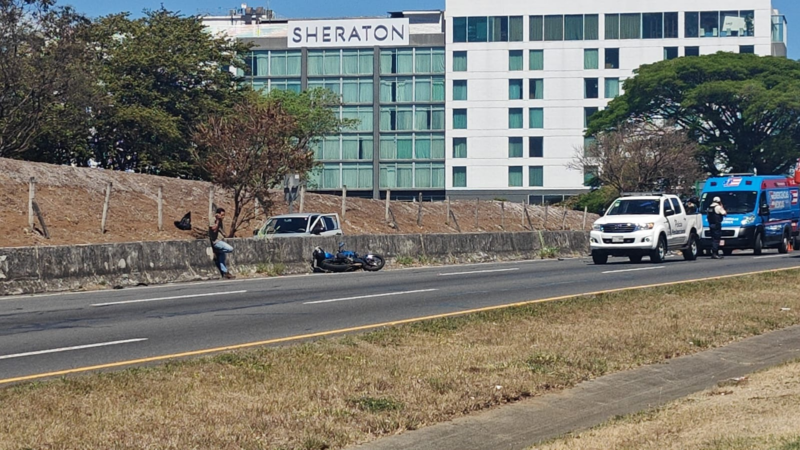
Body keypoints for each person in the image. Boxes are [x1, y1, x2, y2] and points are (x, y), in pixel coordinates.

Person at [209, 208, 235, 279]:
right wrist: (217, 221)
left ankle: (225, 273)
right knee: (230, 249)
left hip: (221, 240)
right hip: (216, 242)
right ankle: (217, 250)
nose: (223, 217)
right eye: (222, 215)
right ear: (218, 214)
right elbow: (214, 230)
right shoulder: (213, 219)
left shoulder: (221, 221)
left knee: (222, 259)